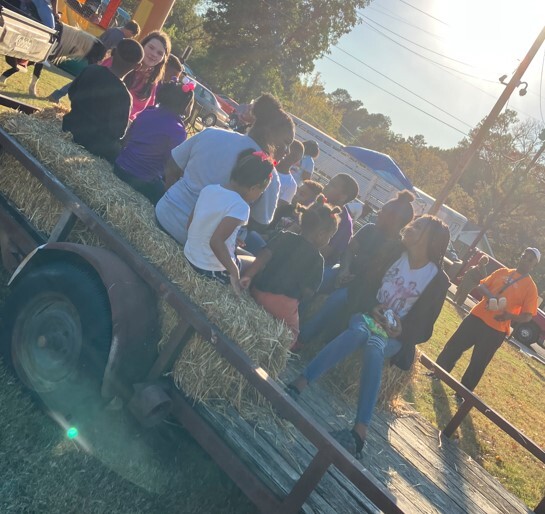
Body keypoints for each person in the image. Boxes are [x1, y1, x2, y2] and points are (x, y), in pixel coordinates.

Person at [289, 215, 451, 457]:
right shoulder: (393, 251)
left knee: (376, 345)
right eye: (413, 221)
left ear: (430, 240)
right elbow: (362, 285)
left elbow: (426, 328)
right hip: (368, 314)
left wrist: (402, 330)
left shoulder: (438, 280)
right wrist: (372, 305)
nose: (409, 225)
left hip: (394, 336)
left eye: (418, 226)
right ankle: (300, 383)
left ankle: (358, 432)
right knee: (360, 331)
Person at [155, 93, 295, 245]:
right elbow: (260, 223)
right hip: (199, 244)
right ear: (270, 132)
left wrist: (173, 203)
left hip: (164, 214)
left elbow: (172, 166)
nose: (288, 151)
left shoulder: (212, 133)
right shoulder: (269, 176)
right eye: (287, 142)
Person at [297, 190, 415, 349]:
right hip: (344, 271)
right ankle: (291, 318)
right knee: (320, 278)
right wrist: (344, 269)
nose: (379, 213)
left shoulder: (398, 249)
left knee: (336, 299)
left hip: (362, 289)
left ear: (394, 220)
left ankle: (302, 338)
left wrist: (352, 279)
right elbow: (349, 250)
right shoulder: (369, 229)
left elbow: (381, 279)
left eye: (384, 212)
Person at [435, 247, 540, 392]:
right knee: (454, 345)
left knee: (478, 363)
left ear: (534, 265)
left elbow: (528, 315)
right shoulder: (502, 272)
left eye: (530, 260)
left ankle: (463, 393)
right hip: (477, 317)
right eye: (524, 256)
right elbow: (481, 286)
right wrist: (491, 296)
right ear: (520, 257)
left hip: (496, 329)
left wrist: (509, 316)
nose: (525, 261)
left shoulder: (530, 287)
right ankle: (438, 373)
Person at [240, 196, 341, 344]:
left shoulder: (284, 236)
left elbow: (263, 257)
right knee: (291, 336)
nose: (329, 241)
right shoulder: (318, 260)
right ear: (321, 234)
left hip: (258, 289)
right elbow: (309, 292)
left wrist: (248, 276)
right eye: (330, 237)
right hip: (282, 305)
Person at [183, 150, 274, 295]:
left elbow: (191, 224)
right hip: (209, 269)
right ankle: (243, 291)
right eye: (261, 192)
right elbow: (216, 241)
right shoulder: (241, 206)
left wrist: (230, 238)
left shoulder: (209, 189)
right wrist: (234, 272)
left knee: (239, 250)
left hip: (189, 255)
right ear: (253, 188)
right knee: (254, 261)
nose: (259, 196)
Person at [113, 78, 195, 204]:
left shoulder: (148, 111)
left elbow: (126, 139)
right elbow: (171, 168)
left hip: (119, 166)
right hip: (142, 180)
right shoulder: (178, 131)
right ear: (185, 105)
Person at [62, 39, 144, 162]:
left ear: (113, 52)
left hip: (69, 125)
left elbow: (72, 92)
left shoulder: (91, 70)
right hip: (94, 145)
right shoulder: (124, 96)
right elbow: (118, 132)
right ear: (137, 66)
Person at [48, 21, 139, 104]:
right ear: (130, 31)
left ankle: (57, 95)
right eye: (132, 35)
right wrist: (100, 61)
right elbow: (108, 49)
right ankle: (58, 95)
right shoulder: (119, 36)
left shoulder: (114, 30)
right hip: (100, 61)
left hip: (97, 58)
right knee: (84, 80)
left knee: (83, 79)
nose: (131, 37)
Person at [102, 31, 171, 121]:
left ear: (163, 59)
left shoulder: (152, 82)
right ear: (142, 45)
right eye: (151, 48)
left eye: (160, 53)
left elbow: (146, 112)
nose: (154, 54)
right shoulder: (119, 61)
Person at [277, 140, 304, 207]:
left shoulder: (291, 184)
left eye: (292, 156)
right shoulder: (267, 166)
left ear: (296, 160)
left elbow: (280, 206)